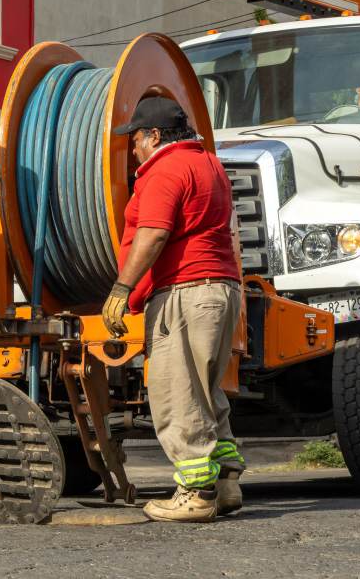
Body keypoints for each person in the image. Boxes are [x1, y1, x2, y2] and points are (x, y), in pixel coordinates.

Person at [102, 97, 244, 523]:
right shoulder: (209, 164)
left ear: (156, 136)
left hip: (184, 292)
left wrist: (122, 288)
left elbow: (155, 232)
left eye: (137, 140)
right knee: (205, 390)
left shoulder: (165, 169)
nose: (134, 150)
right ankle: (226, 484)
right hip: (221, 289)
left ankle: (196, 492)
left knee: (177, 393)